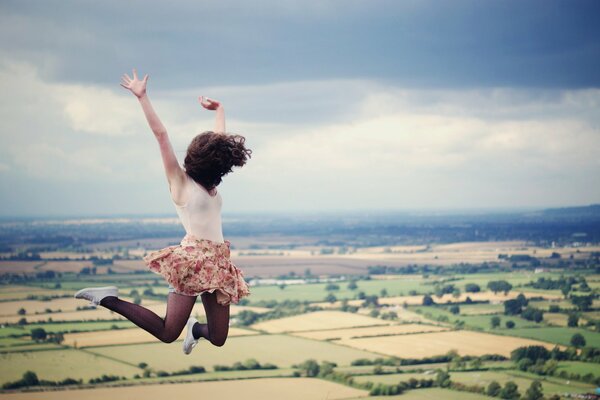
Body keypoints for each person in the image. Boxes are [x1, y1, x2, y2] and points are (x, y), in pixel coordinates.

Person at [74, 69, 251, 355]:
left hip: (218, 263)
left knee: (218, 337)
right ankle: (108, 299)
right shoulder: (181, 183)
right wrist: (142, 97)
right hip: (193, 263)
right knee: (168, 332)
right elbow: (161, 135)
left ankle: (196, 330)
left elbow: (219, 143)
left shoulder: (210, 180)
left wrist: (220, 109)